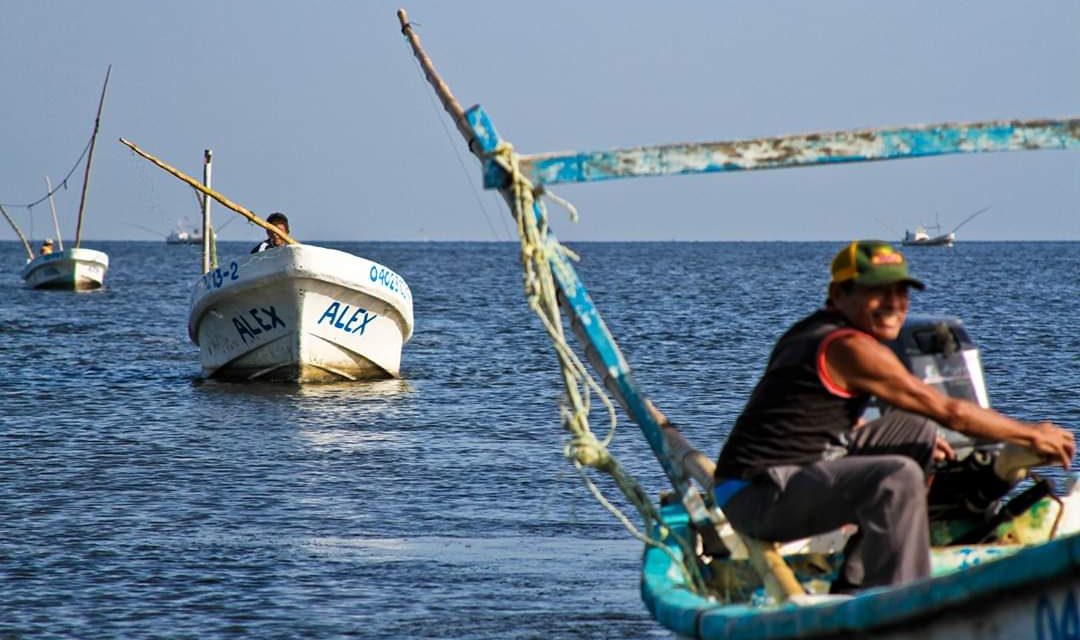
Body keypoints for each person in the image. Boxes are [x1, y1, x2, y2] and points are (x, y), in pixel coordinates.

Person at [708, 239, 1074, 593]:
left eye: (902, 292)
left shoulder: (811, 331)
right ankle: (904, 595)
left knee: (915, 430)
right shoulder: (850, 348)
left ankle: (858, 579)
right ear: (839, 295)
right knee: (896, 478)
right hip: (758, 497)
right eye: (877, 292)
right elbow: (951, 412)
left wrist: (863, 428)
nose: (894, 304)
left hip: (782, 475)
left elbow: (797, 410)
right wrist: (1030, 434)